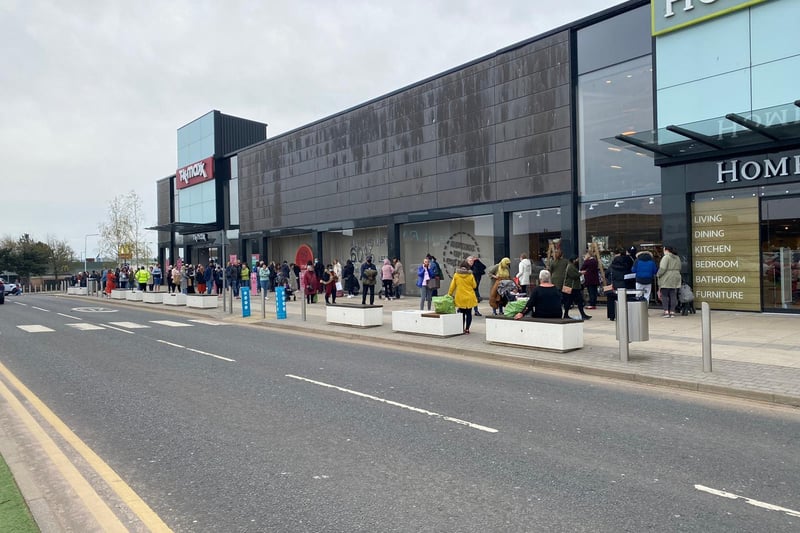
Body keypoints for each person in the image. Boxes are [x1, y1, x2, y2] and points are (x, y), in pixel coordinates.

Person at [447, 260, 478, 334]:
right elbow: (474, 285)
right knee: (469, 313)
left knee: (462, 314)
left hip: (460, 297)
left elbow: (452, 286)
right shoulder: (470, 275)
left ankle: (461, 328)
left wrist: (449, 294)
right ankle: (467, 329)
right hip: (469, 297)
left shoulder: (456, 275)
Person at [607, 247, 634, 321]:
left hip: (612, 287)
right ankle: (622, 315)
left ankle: (611, 315)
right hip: (622, 286)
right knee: (622, 301)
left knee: (611, 301)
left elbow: (606, 274)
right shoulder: (625, 268)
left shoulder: (611, 268)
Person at [563, 256, 591, 320]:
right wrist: (580, 273)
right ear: (573, 260)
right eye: (577, 259)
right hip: (572, 287)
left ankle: (567, 314)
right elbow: (574, 275)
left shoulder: (571, 266)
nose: (577, 260)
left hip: (572, 287)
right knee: (576, 301)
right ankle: (567, 314)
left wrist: (579, 273)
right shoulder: (570, 267)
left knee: (572, 301)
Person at [657, 245, 682, 318]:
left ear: (666, 250)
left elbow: (662, 268)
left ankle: (666, 312)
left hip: (666, 278)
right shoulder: (677, 257)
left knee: (664, 295)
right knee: (673, 294)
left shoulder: (666, 257)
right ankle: (672, 311)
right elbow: (680, 267)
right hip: (675, 277)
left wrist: (658, 274)